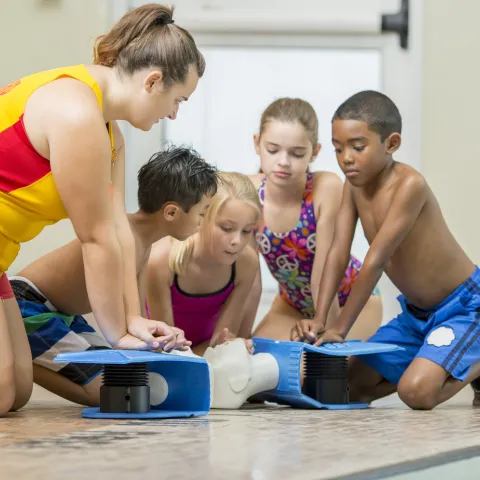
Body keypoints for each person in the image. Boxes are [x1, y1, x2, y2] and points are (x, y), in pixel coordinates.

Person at [0, 3, 204, 414]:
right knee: (3, 390)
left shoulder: (108, 132)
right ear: (153, 81)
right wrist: (116, 336)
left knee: (18, 389)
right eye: (177, 99)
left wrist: (134, 321)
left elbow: (117, 234)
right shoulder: (75, 113)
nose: (173, 113)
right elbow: (94, 240)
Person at [293, 90, 480, 410]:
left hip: (464, 307)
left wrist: (341, 330)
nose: (346, 158)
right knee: (350, 386)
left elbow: (375, 261)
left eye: (358, 146)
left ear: (391, 144)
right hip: (416, 316)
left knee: (416, 393)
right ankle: (435, 358)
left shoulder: (410, 185)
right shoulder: (353, 186)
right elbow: (338, 251)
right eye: (338, 149)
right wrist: (320, 318)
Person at [9, 146, 217, 406]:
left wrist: (163, 338)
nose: (203, 221)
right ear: (172, 212)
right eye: (202, 212)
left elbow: (134, 316)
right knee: (106, 391)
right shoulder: (120, 234)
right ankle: (17, 355)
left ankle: (22, 353)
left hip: (64, 317)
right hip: (27, 305)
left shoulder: (144, 243)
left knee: (124, 378)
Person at [249, 98, 382, 342]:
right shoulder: (250, 192)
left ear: (315, 152)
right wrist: (239, 338)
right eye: (273, 150)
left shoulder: (325, 188)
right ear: (257, 144)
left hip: (349, 301)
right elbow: (249, 277)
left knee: (317, 371)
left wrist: (326, 338)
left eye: (297, 153)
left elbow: (325, 270)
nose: (283, 161)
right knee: (257, 361)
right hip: (291, 303)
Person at [146, 172, 261, 356]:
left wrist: (231, 344)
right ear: (201, 218)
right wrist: (214, 352)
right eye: (227, 228)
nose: (237, 241)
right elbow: (165, 353)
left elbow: (221, 343)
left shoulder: (246, 263)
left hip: (204, 353)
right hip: (158, 355)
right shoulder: (161, 260)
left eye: (246, 231)